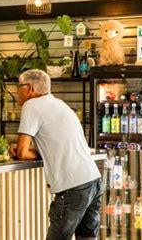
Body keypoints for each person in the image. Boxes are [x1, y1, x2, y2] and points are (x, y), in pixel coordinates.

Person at [9, 69, 102, 240]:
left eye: (18, 87)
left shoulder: (32, 105)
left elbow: (22, 152)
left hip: (73, 186)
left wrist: (22, 152)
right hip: (93, 180)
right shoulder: (59, 104)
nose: (16, 91)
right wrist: (38, 152)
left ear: (29, 88)